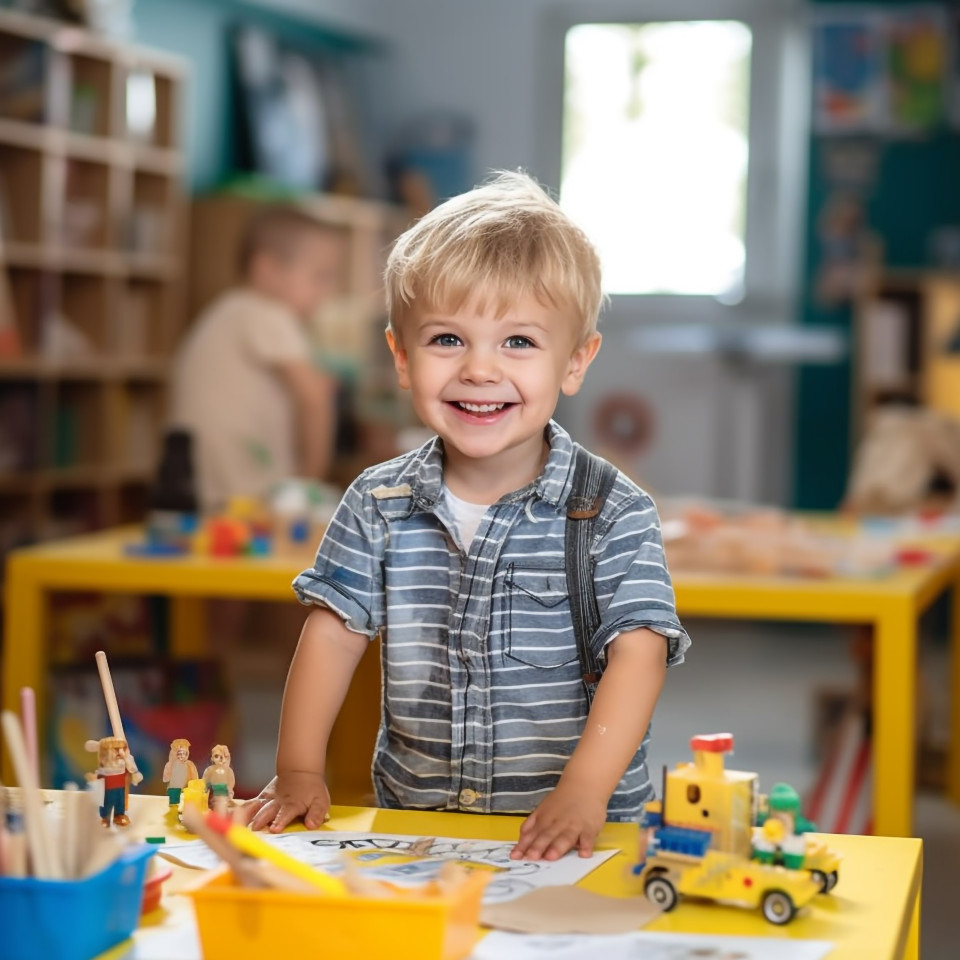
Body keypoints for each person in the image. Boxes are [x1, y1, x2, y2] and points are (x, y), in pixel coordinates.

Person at [241, 171, 690, 861]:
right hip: (421, 832)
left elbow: (640, 653)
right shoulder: (376, 502)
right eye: (447, 340)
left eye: (518, 343)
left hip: (575, 839)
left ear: (575, 361)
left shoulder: (612, 513)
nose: (480, 370)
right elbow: (332, 634)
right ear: (400, 355)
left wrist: (583, 790)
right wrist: (300, 768)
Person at [171, 205, 341, 514]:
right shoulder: (267, 312)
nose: (328, 292)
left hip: (200, 484)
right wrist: (309, 483)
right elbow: (315, 399)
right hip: (243, 490)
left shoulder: (229, 310)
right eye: (320, 277)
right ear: (267, 270)